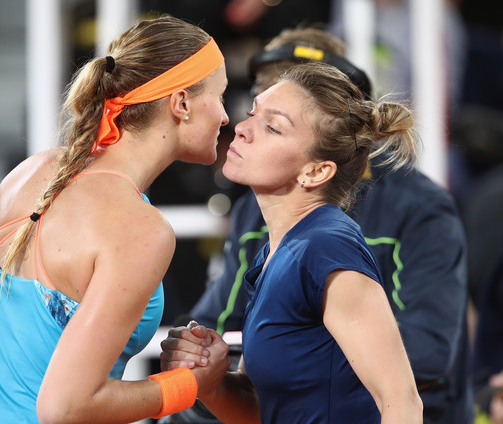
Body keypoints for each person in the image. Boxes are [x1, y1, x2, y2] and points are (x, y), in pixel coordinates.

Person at [0, 15, 229, 423]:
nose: (226, 116)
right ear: (181, 103)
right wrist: (191, 386)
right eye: (220, 96)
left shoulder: (32, 171)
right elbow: (65, 407)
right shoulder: (141, 228)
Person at [183, 26, 472, 424]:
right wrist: (210, 383)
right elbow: (265, 411)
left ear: (317, 171)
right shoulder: (277, 251)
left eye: (273, 126)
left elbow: (402, 403)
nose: (242, 129)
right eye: (253, 113)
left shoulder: (325, 246)